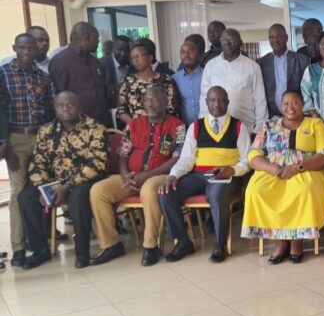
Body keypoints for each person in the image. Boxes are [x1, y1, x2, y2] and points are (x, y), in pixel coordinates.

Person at [90, 87, 185, 267]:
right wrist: (126, 175)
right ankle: (111, 244)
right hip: (131, 175)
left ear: (165, 103)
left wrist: (147, 175)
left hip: (160, 175)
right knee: (98, 190)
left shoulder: (177, 126)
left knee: (150, 190)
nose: (150, 103)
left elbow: (177, 158)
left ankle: (151, 246)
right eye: (147, 100)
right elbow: (123, 155)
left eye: (155, 100)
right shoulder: (133, 125)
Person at [158, 86, 250, 263]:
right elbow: (186, 159)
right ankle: (183, 242)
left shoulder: (238, 126)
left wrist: (231, 169)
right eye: (213, 100)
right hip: (199, 175)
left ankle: (220, 244)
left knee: (216, 195)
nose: (217, 104)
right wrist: (173, 176)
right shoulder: (195, 126)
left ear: (228, 103)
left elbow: (247, 160)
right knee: (166, 193)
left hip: (226, 176)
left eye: (222, 100)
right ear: (206, 102)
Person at [241, 90, 324, 264]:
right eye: (286, 104)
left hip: (306, 170)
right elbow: (253, 154)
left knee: (304, 190)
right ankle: (280, 243)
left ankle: (297, 243)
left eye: (295, 103)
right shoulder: (269, 125)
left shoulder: (315, 124)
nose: (290, 107)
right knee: (256, 190)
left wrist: (297, 167)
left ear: (303, 104)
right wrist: (270, 167)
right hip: (273, 170)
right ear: (280, 106)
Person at [19, 91, 108, 269]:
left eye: (70, 104)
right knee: (26, 197)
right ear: (55, 108)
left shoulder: (95, 127)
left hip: (85, 180)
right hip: (55, 181)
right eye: (61, 105)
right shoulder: (46, 131)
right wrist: (44, 188)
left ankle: (82, 252)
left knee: (78, 196)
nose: (66, 109)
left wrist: (68, 186)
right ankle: (40, 250)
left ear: (78, 106)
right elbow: (38, 163)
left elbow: (97, 164)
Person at [0, 33, 55, 268]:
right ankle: (19, 247)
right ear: (15, 48)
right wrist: (4, 142)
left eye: (31, 48)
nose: (26, 52)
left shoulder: (43, 77)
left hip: (41, 137)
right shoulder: (3, 74)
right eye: (22, 48)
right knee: (17, 191)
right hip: (16, 139)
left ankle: (40, 242)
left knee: (41, 189)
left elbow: (51, 111)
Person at [200, 28, 268, 134]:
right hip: (216, 128)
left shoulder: (253, 67)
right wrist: (203, 126)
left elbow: (260, 100)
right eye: (224, 40)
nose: (227, 43)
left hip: (246, 128)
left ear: (240, 43)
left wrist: (259, 130)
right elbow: (204, 97)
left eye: (232, 40)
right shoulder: (210, 66)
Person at [49, 21, 114, 127]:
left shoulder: (95, 61)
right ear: (87, 37)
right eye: (97, 39)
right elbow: (57, 95)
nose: (98, 43)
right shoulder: (61, 61)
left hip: (101, 123)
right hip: (77, 126)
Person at [116, 39, 180, 125]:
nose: (136, 60)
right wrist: (135, 125)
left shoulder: (165, 80)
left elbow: (171, 109)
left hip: (161, 128)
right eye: (133, 58)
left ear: (150, 58)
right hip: (136, 129)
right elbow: (121, 111)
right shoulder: (127, 82)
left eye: (139, 56)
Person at [257, 24, 310, 118]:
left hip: (296, 114)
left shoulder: (302, 60)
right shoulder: (261, 63)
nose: (275, 40)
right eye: (272, 37)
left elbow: (308, 90)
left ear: (286, 37)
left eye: (279, 37)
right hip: (271, 116)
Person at [172, 41, 203, 124]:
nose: (186, 55)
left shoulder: (207, 75)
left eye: (190, 51)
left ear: (199, 54)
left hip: (205, 126)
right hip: (184, 127)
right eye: (183, 52)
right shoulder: (174, 78)